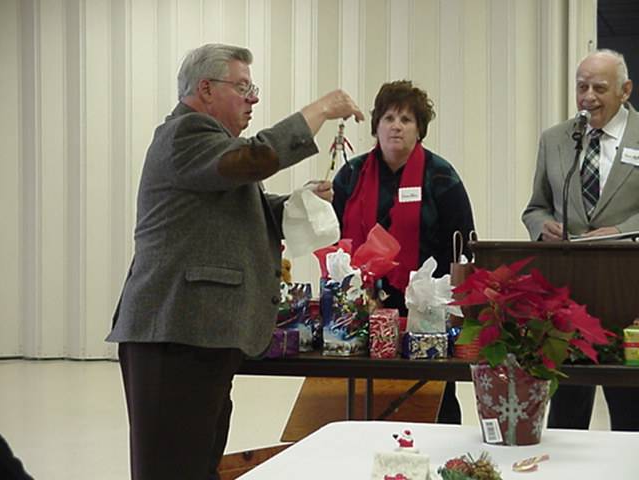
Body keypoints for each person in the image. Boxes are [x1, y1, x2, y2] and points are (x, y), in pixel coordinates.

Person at [106, 43, 364, 480]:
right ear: (206, 89)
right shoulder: (185, 134)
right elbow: (256, 158)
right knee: (173, 469)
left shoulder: (211, 148)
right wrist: (321, 110)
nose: (254, 98)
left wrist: (299, 203)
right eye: (243, 87)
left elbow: (240, 218)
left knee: (195, 466)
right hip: (177, 333)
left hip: (197, 337)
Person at [332, 80, 475, 424]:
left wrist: (454, 305)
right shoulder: (350, 175)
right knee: (364, 397)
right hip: (364, 303)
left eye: (406, 119)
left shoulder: (441, 176)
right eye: (389, 118)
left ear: (419, 129)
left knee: (436, 397)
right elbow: (334, 239)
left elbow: (464, 245)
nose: (396, 126)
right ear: (376, 126)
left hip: (426, 307)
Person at [522, 49, 639, 431]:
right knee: (567, 418)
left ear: (625, 90)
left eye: (599, 88)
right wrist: (543, 226)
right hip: (567, 296)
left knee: (630, 414)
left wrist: (621, 232)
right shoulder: (555, 139)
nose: (588, 97)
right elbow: (535, 208)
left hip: (629, 295)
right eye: (581, 87)